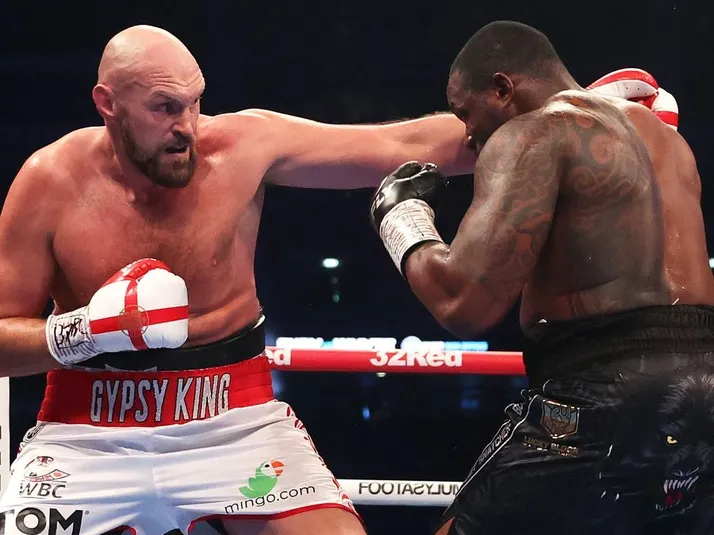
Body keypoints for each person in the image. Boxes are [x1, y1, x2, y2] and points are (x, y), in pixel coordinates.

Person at [0, 24, 478, 535]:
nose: (187, 126)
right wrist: (85, 332)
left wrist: (534, 122)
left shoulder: (241, 148)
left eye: (195, 103)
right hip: (85, 433)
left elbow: (402, 143)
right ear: (107, 103)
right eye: (165, 108)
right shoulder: (49, 181)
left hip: (235, 423)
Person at [370, 20, 714, 535]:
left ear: (502, 88)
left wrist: (401, 220)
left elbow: (464, 304)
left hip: (604, 386)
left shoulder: (537, 131)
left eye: (465, 113)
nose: (468, 135)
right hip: (704, 383)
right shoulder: (667, 140)